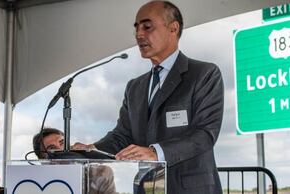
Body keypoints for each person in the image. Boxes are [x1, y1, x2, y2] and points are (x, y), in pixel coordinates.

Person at [72, 1, 224, 193]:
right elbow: (122, 136)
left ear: (173, 28)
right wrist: (91, 149)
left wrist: (155, 153)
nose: (139, 34)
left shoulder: (204, 74)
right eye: (136, 28)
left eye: (147, 26)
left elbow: (204, 134)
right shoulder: (134, 87)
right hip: (147, 188)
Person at [33, 128, 116, 194]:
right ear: (42, 159)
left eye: (62, 143)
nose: (61, 149)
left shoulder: (100, 173)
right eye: (52, 148)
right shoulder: (35, 180)